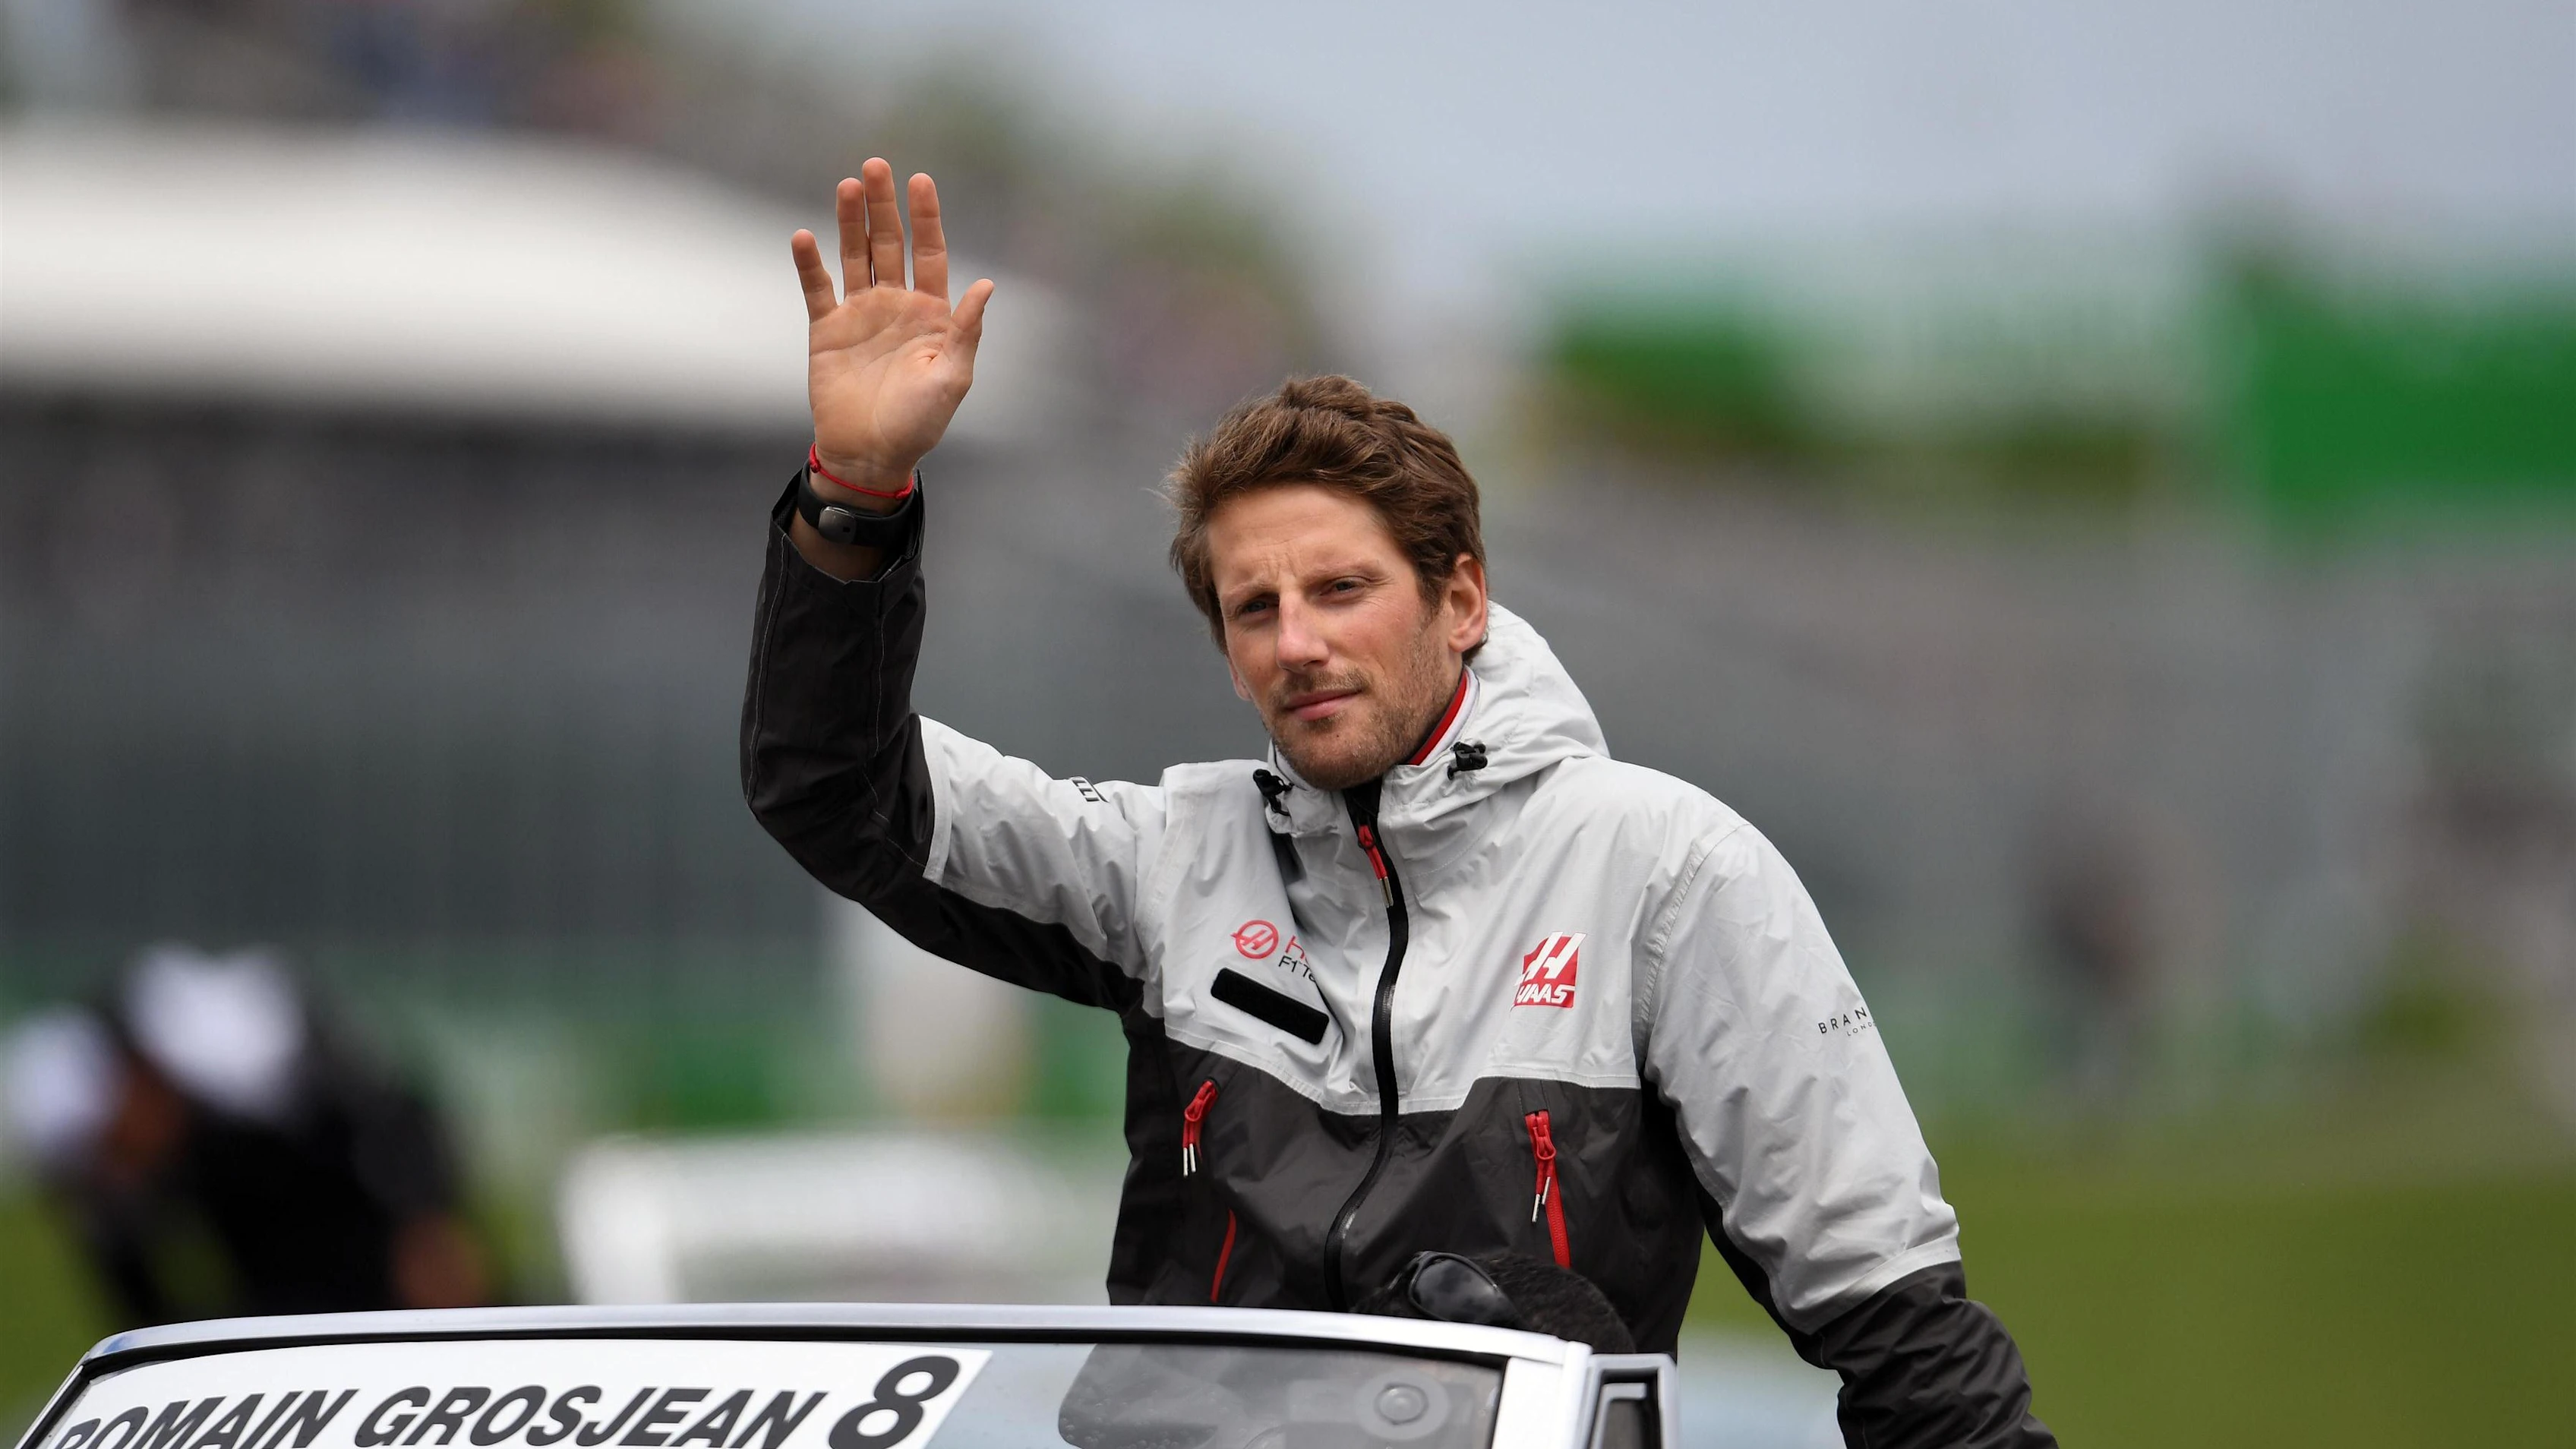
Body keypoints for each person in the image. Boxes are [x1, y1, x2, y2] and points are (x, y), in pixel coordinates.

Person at [742, 160, 2053, 1447]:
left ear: (1461, 599)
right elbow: (835, 789)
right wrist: (854, 496)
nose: (1295, 639)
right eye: (1253, 607)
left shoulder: (1667, 869)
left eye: (1340, 588)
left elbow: (1891, 1317)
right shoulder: (1163, 857)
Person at [0, 946, 488, 1321]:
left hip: (366, 1231)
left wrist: (424, 1222)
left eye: (112, 1147)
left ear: (137, 1080)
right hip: (276, 1284)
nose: (114, 1172)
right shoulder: (125, 1174)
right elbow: (148, 1318)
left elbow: (395, 1111)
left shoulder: (235, 1055)